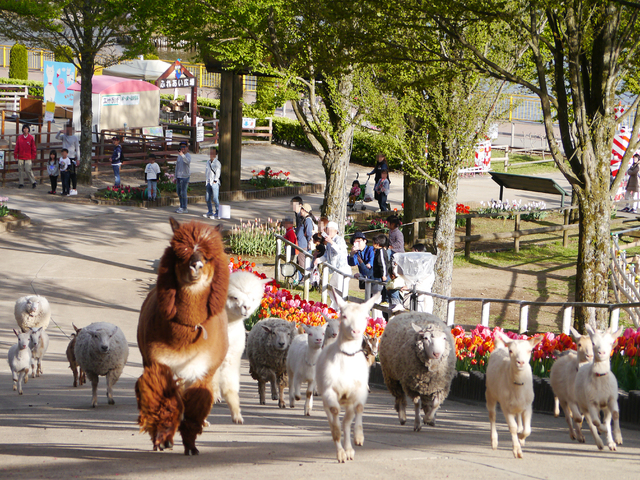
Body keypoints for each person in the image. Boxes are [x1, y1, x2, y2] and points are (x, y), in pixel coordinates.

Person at [314, 221, 350, 306]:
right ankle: (333, 307)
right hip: (333, 270)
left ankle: (341, 309)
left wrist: (332, 242)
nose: (328, 232)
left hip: (342, 270)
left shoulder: (339, 240)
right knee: (331, 289)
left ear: (335, 231)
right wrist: (318, 260)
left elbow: (340, 251)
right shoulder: (329, 242)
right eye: (327, 230)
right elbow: (326, 256)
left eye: (330, 230)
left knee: (340, 291)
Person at [56, 124, 80, 194]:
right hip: (64, 157)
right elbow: (57, 137)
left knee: (72, 174)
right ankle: (67, 188)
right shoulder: (64, 136)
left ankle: (74, 188)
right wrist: (60, 131)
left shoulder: (75, 138)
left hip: (71, 157)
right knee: (66, 174)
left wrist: (78, 159)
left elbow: (77, 148)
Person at [14, 124, 37, 189]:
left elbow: (33, 148)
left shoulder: (31, 137)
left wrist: (33, 156)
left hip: (28, 156)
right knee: (20, 170)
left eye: (26, 128)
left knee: (28, 170)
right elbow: (17, 147)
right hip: (20, 156)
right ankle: (21, 183)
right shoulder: (19, 137)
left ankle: (33, 182)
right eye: (24, 128)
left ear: (28, 129)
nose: (25, 129)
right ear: (23, 129)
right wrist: (15, 155)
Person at [203, 147, 221, 219]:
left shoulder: (217, 163)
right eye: (210, 153)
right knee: (207, 198)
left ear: (216, 154)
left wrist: (215, 181)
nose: (211, 154)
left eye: (213, 153)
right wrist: (207, 181)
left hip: (214, 183)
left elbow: (218, 173)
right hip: (208, 182)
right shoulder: (208, 162)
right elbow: (207, 172)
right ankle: (210, 211)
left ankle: (217, 212)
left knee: (215, 198)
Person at [175, 141, 191, 214]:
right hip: (178, 176)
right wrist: (175, 177)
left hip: (185, 177)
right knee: (178, 192)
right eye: (181, 147)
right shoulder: (179, 156)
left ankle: (184, 207)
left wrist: (182, 155)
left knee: (183, 192)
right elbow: (177, 166)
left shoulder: (188, 155)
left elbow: (187, 162)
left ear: (187, 148)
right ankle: (181, 206)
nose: (182, 148)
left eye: (184, 147)